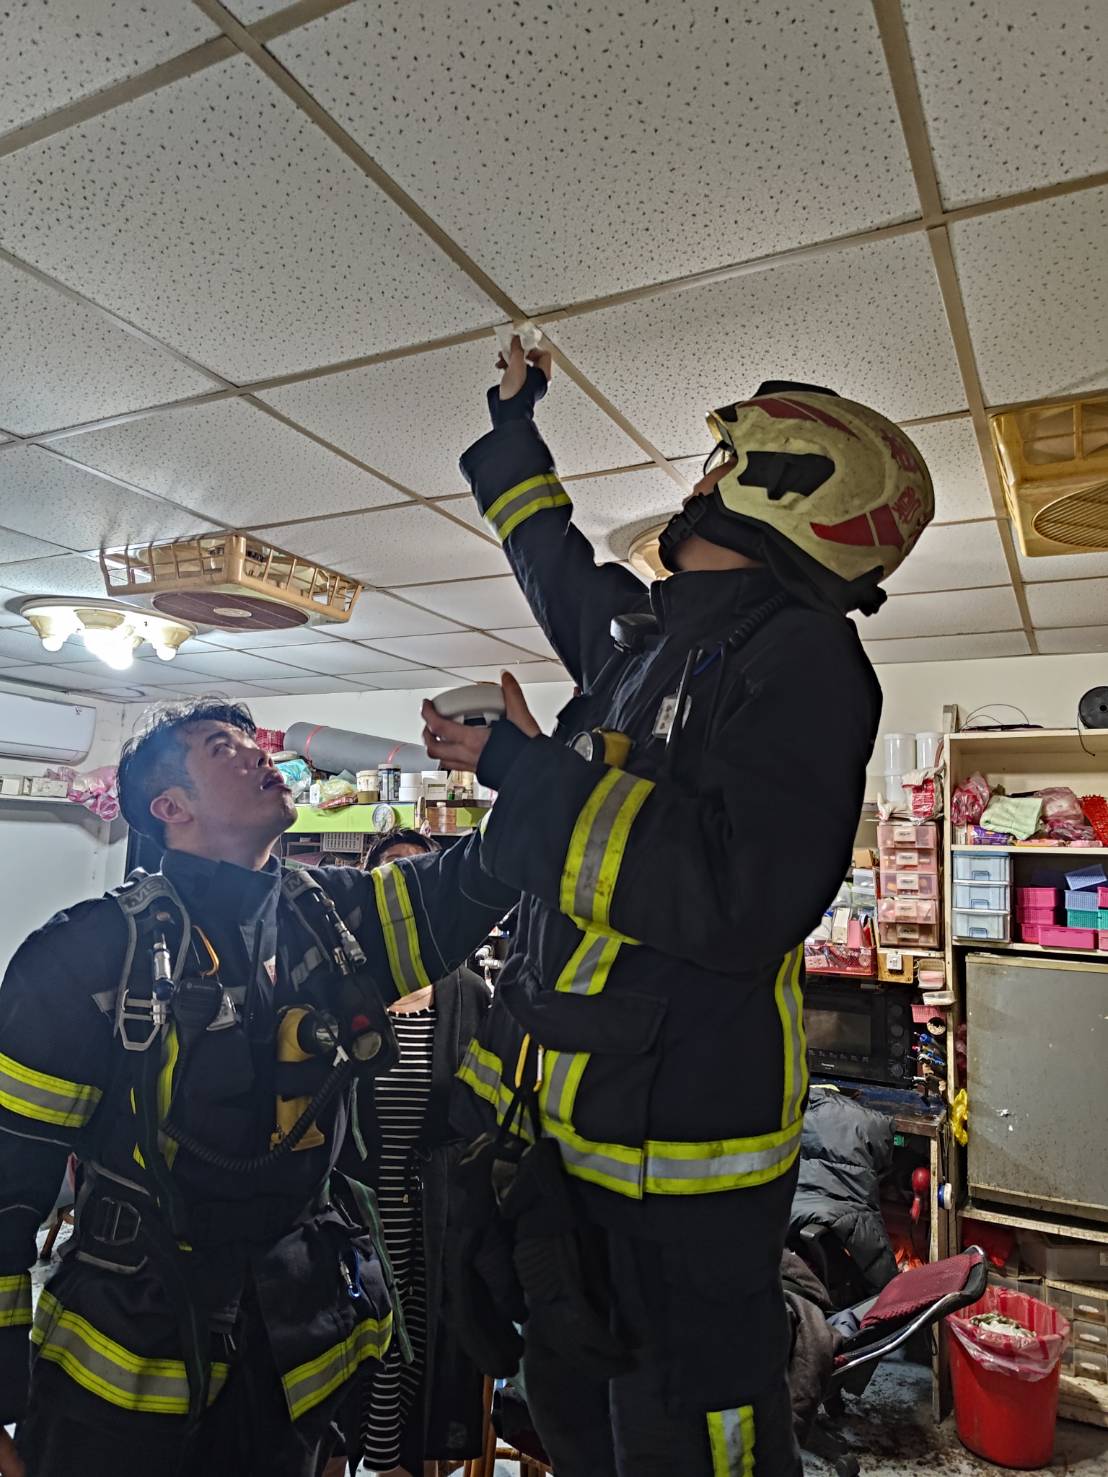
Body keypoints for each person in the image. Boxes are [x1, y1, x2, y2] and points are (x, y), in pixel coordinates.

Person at [419, 340, 934, 1477]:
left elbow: (735, 899)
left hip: (680, 1171)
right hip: (573, 1146)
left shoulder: (805, 660)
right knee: (573, 1417)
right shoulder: (647, 645)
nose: (701, 480)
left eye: (723, 465)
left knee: (692, 1435)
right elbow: (550, 559)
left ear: (782, 494)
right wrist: (514, 428)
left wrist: (526, 772)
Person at [0, 700, 516, 1477]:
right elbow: (7, 1188)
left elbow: (482, 874)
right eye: (222, 748)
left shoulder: (333, 921)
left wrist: (527, 772)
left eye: (252, 741)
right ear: (170, 807)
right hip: (124, 1378)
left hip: (295, 1359)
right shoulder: (86, 955)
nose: (258, 754)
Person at [326, 828, 492, 1477]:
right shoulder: (337, 987)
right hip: (350, 1217)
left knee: (423, 1372)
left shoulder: (468, 994)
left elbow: (484, 1113)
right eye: (393, 877)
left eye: (423, 875)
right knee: (340, 1376)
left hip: (434, 1221)